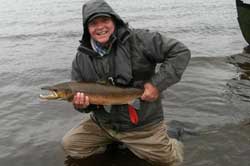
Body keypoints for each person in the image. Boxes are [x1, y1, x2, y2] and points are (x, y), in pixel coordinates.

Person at [62, 0, 191, 165]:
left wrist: (156, 85)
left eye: (105, 21)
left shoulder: (139, 39)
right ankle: (116, 142)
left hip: (142, 125)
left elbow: (180, 52)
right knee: (71, 146)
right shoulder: (81, 58)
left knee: (170, 161)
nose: (100, 27)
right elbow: (83, 106)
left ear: (114, 21)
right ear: (87, 29)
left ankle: (171, 136)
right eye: (94, 23)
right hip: (104, 124)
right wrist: (81, 105)